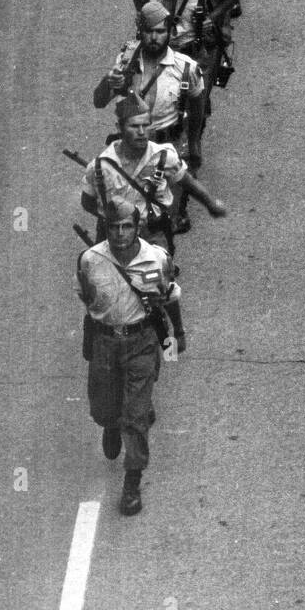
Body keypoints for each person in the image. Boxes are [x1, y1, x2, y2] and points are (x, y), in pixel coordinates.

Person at [77, 196, 183, 516]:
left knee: (136, 418)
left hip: (142, 342)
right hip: (106, 343)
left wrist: (178, 335)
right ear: (105, 228)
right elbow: (87, 301)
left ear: (137, 227)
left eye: (127, 226)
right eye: (114, 227)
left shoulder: (156, 259)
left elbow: (170, 298)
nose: (121, 233)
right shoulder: (89, 260)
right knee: (102, 409)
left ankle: (132, 484)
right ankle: (111, 423)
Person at [81, 95, 227, 249]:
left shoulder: (163, 157)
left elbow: (187, 182)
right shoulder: (99, 166)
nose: (142, 132)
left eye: (146, 125)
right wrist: (115, 220)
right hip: (114, 238)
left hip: (153, 235)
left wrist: (211, 204)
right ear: (119, 128)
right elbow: (87, 202)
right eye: (135, 126)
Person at [93, 1, 206, 172]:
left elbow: (198, 108)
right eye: (149, 31)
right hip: (131, 148)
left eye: (160, 31)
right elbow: (99, 102)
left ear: (169, 33)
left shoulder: (186, 68)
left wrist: (193, 144)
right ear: (140, 32)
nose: (154, 37)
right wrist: (109, 80)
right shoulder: (127, 63)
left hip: (168, 148)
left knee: (168, 197)